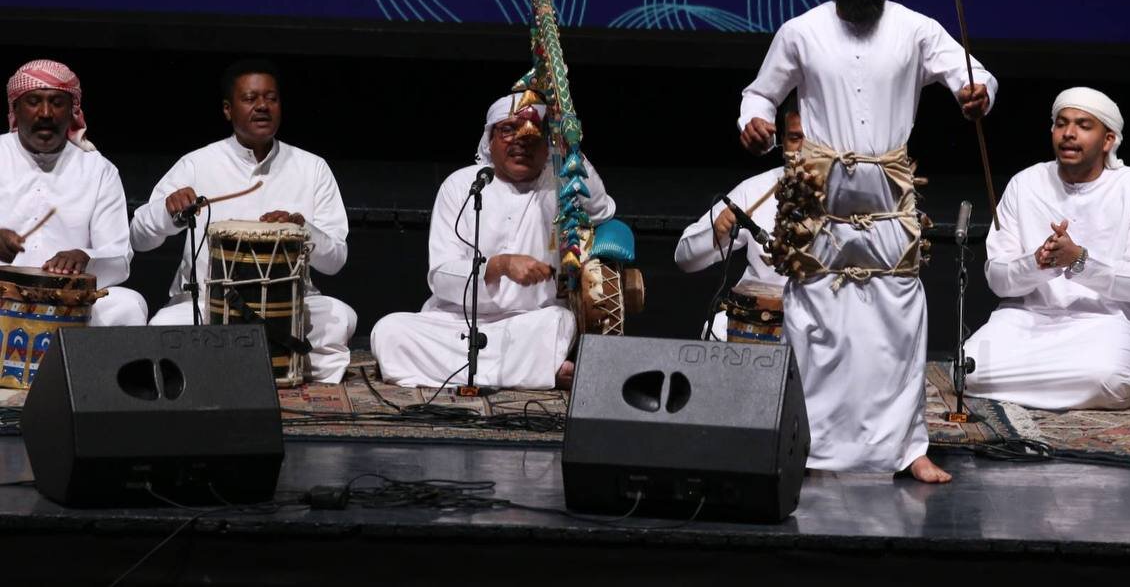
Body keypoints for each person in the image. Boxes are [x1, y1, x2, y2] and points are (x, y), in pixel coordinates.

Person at [738, 0, 993, 483]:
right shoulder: (801, 32)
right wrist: (754, 120)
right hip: (821, 202)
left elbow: (972, 76)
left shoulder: (916, 29)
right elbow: (760, 92)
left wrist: (977, 95)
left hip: (890, 202)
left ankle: (908, 449)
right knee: (818, 326)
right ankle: (809, 445)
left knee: (896, 329)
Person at [129, 60, 356, 383]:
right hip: (210, 304)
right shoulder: (196, 164)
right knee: (163, 329)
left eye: (271, 98)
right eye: (250, 98)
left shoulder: (312, 168)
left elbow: (336, 260)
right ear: (227, 109)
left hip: (289, 306)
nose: (262, 106)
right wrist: (168, 212)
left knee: (338, 317)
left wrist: (302, 229)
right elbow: (139, 237)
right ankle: (264, 365)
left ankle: (223, 369)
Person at [371, 93, 615, 390]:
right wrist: (496, 267)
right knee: (389, 332)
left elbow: (601, 210)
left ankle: (493, 370)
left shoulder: (561, 184)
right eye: (508, 130)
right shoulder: (463, 185)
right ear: (490, 140)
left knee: (558, 324)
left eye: (533, 132)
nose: (520, 140)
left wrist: (569, 145)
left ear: (548, 142)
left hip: (529, 322)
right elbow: (441, 276)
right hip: (456, 322)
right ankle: (536, 371)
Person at [965, 88, 1130, 410]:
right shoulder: (1025, 184)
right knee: (968, 370)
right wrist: (1036, 264)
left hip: (1107, 322)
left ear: (1108, 140)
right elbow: (998, 278)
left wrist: (1080, 261)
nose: (1069, 134)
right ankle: (1063, 385)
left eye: (1084, 126)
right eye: (1061, 124)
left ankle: (1028, 383)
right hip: (1027, 320)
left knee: (1109, 378)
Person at [0, 60, 147, 325]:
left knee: (128, 304)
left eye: (57, 103)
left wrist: (86, 257)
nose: (45, 113)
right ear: (15, 108)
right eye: (34, 101)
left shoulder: (98, 170)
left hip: (70, 297)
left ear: (72, 111)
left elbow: (118, 256)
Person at [675, 106, 803, 339]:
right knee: (717, 330)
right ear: (781, 142)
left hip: (823, 321)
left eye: (815, 139)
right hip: (758, 319)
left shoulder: (856, 196)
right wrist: (716, 232)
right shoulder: (756, 190)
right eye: (796, 138)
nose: (806, 149)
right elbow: (684, 257)